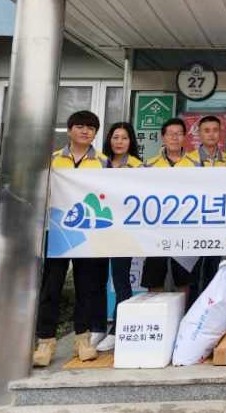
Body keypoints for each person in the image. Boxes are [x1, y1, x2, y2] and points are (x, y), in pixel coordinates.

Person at [33, 111, 109, 367]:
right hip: (55, 232)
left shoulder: (103, 162)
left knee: (86, 287)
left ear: (95, 133)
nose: (85, 131)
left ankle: (82, 340)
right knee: (51, 286)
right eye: (80, 126)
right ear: (69, 130)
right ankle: (45, 341)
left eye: (91, 128)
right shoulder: (53, 160)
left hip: (88, 234)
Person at [94, 122, 142, 352]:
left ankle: (117, 328)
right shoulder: (98, 163)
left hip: (124, 231)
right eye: (115, 137)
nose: (119, 142)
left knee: (121, 279)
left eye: (124, 138)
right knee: (96, 279)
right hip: (97, 229)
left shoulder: (139, 167)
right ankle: (96, 327)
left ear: (131, 141)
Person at [141, 118, 198, 294]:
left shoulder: (196, 164)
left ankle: (182, 311)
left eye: (179, 134)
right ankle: (154, 310)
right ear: (163, 137)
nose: (174, 137)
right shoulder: (149, 165)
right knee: (154, 277)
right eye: (170, 134)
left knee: (184, 280)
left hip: (185, 229)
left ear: (185, 137)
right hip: (156, 229)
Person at [185, 116, 226, 306]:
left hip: (219, 225)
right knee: (193, 275)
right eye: (206, 130)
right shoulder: (187, 160)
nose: (211, 134)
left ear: (220, 133)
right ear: (199, 134)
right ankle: (192, 314)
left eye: (215, 130)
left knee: (215, 272)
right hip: (194, 225)